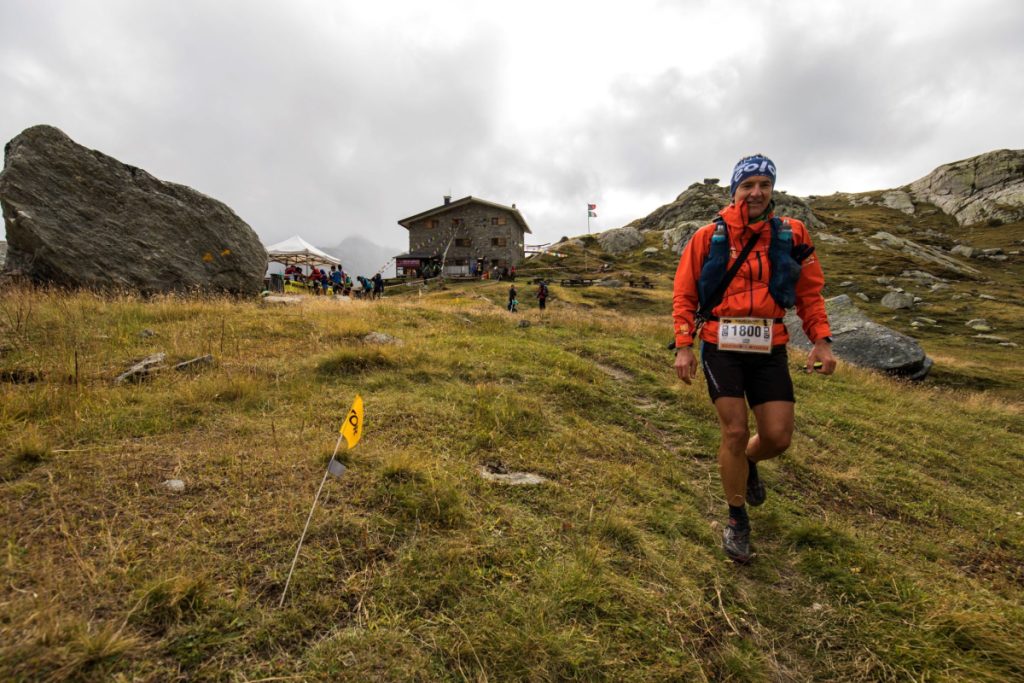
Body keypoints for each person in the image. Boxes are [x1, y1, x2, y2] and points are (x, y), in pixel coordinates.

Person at [672, 154, 836, 564]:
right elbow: (684, 294)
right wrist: (683, 345)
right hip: (720, 344)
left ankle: (748, 460)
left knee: (778, 437)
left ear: (772, 190)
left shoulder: (792, 235)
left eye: (764, 184)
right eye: (748, 185)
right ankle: (736, 519)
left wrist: (822, 340)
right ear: (734, 190)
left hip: (770, 346)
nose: (756, 192)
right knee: (733, 430)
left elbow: (809, 294)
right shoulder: (708, 237)